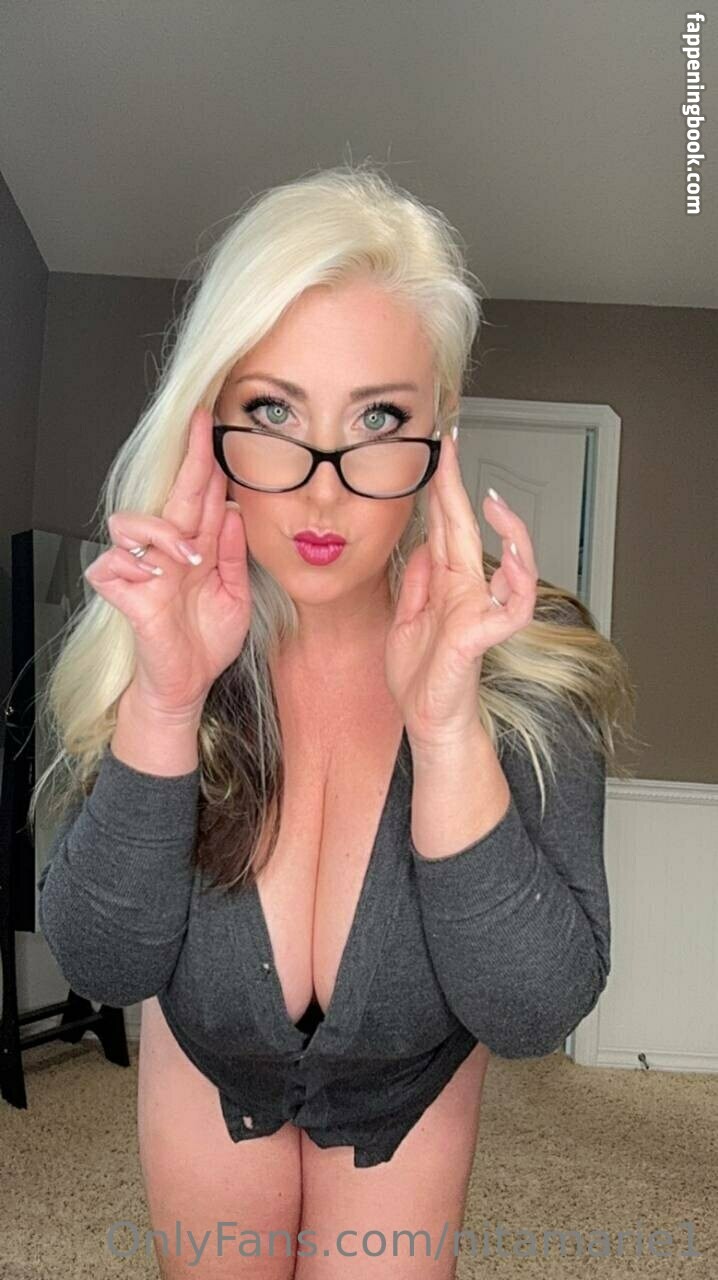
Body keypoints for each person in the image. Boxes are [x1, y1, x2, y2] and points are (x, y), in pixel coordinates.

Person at [33, 163, 636, 1279]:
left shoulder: (525, 656)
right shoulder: (155, 627)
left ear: (440, 431)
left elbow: (532, 1012)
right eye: (273, 412)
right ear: (210, 421)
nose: (324, 491)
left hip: (412, 1085)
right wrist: (165, 699)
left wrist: (446, 728)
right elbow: (105, 961)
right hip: (208, 1060)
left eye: (379, 418)